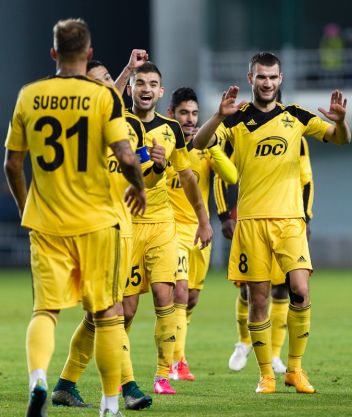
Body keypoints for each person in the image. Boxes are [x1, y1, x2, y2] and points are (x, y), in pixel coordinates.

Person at [3, 18, 146, 417]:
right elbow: (125, 155)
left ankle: (38, 380)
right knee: (107, 313)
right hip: (97, 221)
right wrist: (138, 185)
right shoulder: (103, 97)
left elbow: (12, 163)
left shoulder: (30, 95)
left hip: (46, 222)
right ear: (88, 53)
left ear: (53, 53)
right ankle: (110, 404)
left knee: (45, 311)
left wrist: (25, 206)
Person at [194, 51, 350, 394]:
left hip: (291, 220)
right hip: (251, 221)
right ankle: (266, 375)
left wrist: (340, 122)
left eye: (273, 77)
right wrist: (217, 116)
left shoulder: (296, 116)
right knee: (259, 300)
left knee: (300, 290)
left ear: (281, 79)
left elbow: (341, 139)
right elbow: (198, 142)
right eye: (261, 77)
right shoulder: (235, 120)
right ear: (251, 79)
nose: (267, 83)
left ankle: (295, 369)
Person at [50, 58, 152, 411]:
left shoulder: (129, 125)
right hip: (94, 230)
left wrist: (154, 163)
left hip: (124, 229)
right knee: (111, 312)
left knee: (105, 315)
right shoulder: (78, 127)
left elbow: (139, 169)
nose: (109, 84)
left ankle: (66, 384)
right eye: (99, 81)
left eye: (110, 78)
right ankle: (128, 388)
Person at [124, 61, 213, 395]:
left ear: (160, 91)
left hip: (162, 224)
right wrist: (150, 160)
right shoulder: (118, 123)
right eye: (140, 82)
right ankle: (121, 373)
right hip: (127, 224)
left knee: (167, 297)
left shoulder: (171, 129)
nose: (146, 89)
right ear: (130, 88)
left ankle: (162, 375)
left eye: (152, 84)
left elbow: (188, 176)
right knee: (127, 310)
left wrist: (204, 220)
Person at [218, 133, 315, 375]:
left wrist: (307, 217)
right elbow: (222, 175)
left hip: (286, 221)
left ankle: (275, 356)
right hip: (253, 221)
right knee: (251, 292)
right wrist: (224, 214)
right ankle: (244, 342)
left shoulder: (297, 136)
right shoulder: (241, 131)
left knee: (285, 290)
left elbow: (306, 180)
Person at [165, 87, 237, 381]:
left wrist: (213, 148)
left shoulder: (205, 147)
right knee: (180, 293)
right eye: (183, 113)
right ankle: (177, 362)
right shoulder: (163, 143)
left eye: (194, 113)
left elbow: (231, 176)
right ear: (171, 114)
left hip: (198, 231)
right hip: (169, 231)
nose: (190, 119)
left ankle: (176, 352)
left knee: (191, 298)